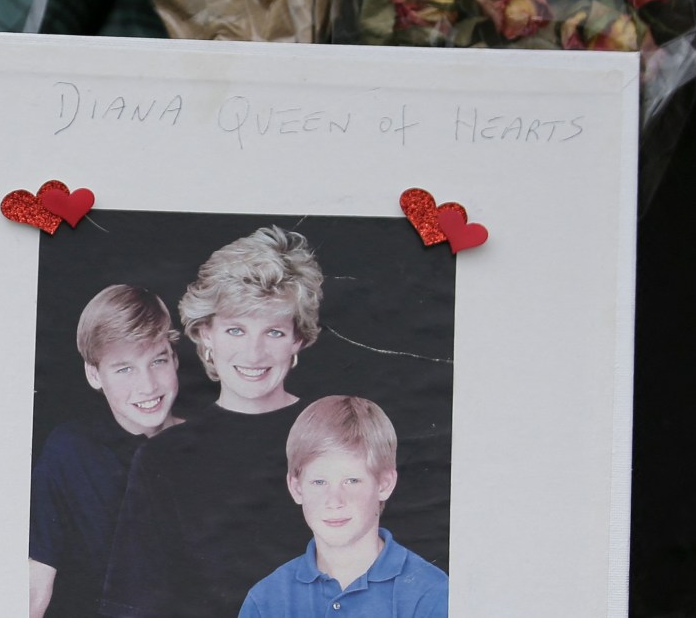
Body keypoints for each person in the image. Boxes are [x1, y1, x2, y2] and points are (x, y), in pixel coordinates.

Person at [100, 226, 324, 618]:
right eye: (235, 329)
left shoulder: (334, 431)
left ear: (297, 340)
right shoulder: (162, 458)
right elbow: (132, 606)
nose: (254, 353)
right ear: (205, 334)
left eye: (273, 331)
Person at [29, 285, 183, 618]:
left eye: (158, 361)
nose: (148, 386)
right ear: (94, 374)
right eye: (124, 369)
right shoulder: (69, 451)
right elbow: (35, 586)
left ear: (175, 358)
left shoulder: (211, 446)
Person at [239, 395, 448, 618]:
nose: (334, 501)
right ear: (296, 488)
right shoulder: (266, 600)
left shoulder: (433, 594)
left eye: (351, 481)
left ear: (384, 484)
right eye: (319, 482)